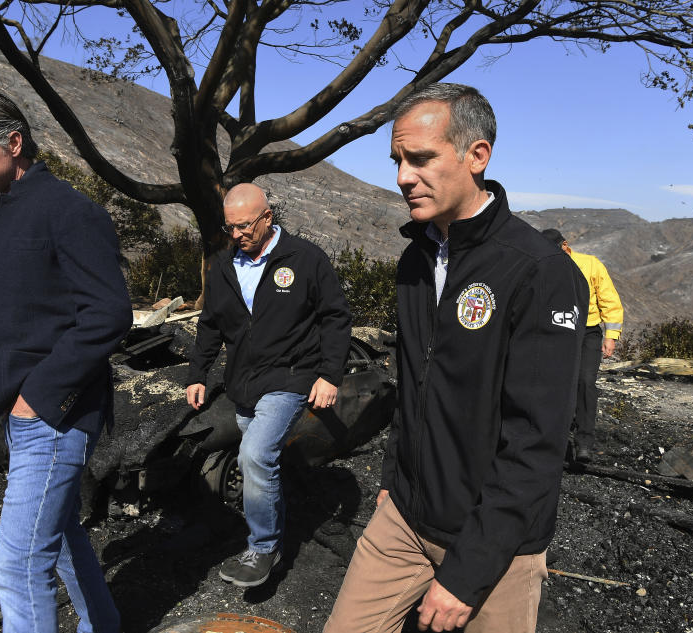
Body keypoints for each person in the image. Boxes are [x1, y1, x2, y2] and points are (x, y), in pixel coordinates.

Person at [325, 84, 588, 633]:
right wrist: (395, 478)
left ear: (477, 156)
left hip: (495, 543)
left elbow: (537, 441)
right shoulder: (414, 260)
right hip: (404, 519)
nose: (402, 176)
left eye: (420, 158)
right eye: (398, 160)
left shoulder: (540, 272)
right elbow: (414, 388)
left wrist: (466, 575)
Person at [0, 91, 130, 633]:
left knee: (17, 567)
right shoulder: (6, 210)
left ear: (14, 143)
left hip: (52, 417)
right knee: (63, 538)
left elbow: (109, 314)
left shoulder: (67, 210)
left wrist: (37, 399)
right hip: (25, 419)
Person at [186, 183, 351, 588]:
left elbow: (335, 316)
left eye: (244, 226)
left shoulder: (305, 259)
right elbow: (209, 326)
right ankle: (278, 520)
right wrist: (197, 374)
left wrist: (330, 374)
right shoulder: (223, 267)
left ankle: (263, 548)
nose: (237, 234)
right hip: (243, 380)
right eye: (230, 228)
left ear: (266, 217)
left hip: (291, 375)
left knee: (256, 455)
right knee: (262, 460)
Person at [541, 229, 624, 463]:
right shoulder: (544, 265)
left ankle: (584, 443)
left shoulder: (590, 264)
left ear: (565, 245)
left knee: (585, 382)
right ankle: (552, 438)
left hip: (588, 332)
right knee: (557, 383)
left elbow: (609, 300)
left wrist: (611, 336)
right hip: (557, 332)